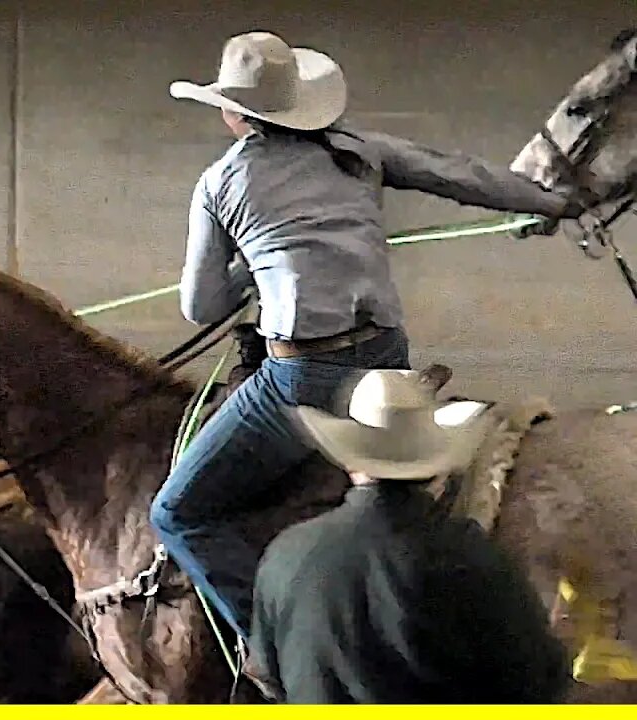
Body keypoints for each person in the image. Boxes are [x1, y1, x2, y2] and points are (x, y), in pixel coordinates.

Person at [149, 30, 587, 639]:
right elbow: (458, 175)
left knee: (176, 512)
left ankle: (277, 645)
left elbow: (201, 308)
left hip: (300, 380)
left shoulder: (221, 184)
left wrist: (250, 264)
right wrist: (552, 202)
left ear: (231, 112)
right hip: (387, 358)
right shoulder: (358, 149)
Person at [240, 369, 572, 703]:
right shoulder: (471, 558)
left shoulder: (286, 554)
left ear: (350, 460)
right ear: (434, 467)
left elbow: (268, 676)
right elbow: (538, 685)